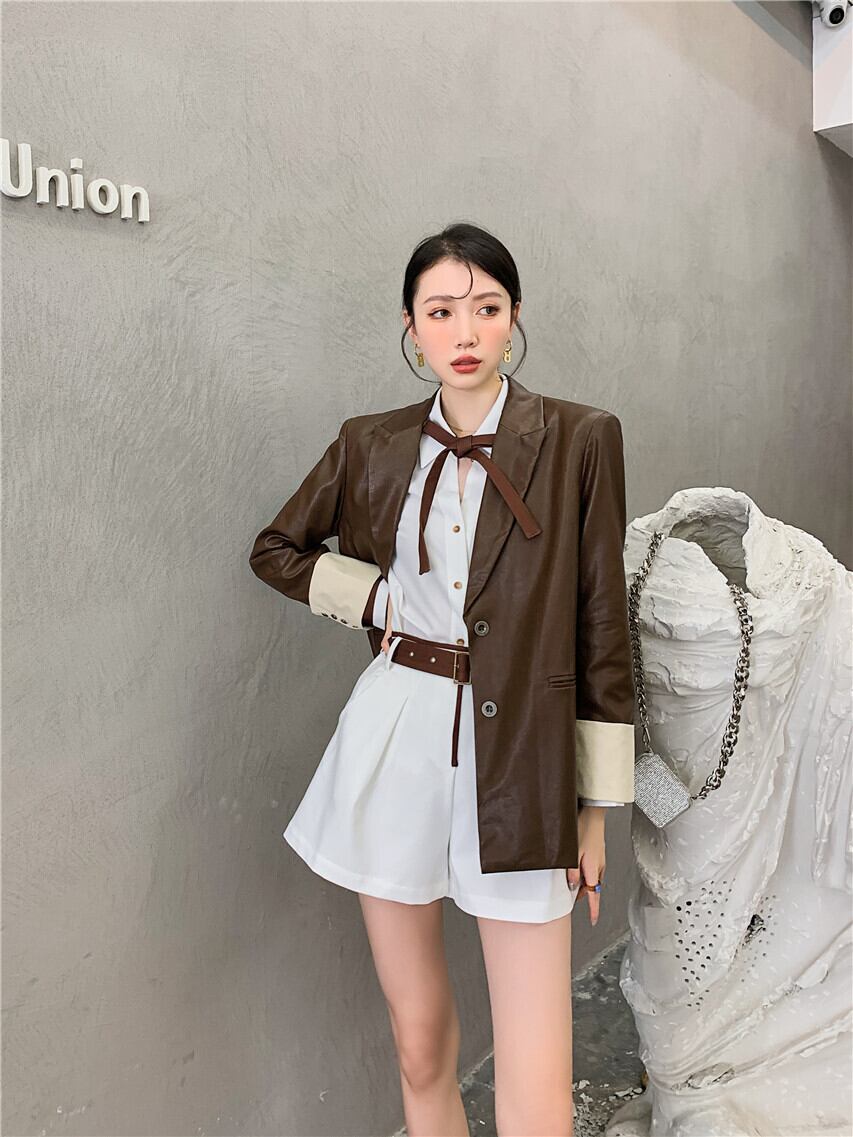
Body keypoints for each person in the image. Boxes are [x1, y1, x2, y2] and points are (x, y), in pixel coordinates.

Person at [249, 222, 635, 1137]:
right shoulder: (371, 442)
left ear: (514, 318)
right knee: (419, 1042)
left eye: (485, 308)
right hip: (396, 737)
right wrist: (374, 595)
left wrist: (593, 807)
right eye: (440, 311)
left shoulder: (578, 437)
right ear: (410, 326)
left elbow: (601, 620)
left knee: (537, 1078)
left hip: (526, 755)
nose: (464, 332)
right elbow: (277, 549)